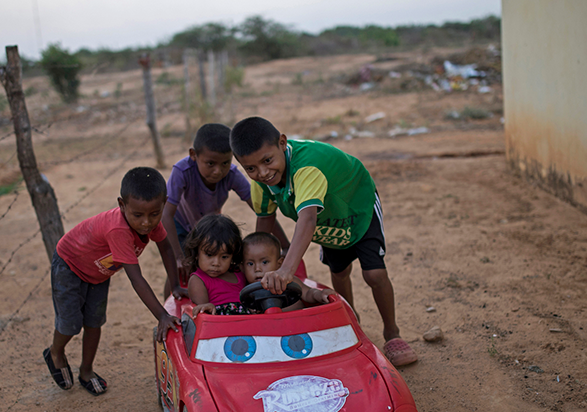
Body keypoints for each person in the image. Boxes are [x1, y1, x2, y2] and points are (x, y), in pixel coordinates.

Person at [230, 116, 417, 366]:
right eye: (250, 169)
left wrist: (286, 271)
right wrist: (257, 263)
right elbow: (264, 226)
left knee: (374, 274)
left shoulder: (307, 167)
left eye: (267, 161)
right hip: (326, 221)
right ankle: (352, 322)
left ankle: (392, 333)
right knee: (339, 272)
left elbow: (306, 220)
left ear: (282, 143)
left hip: (356, 208)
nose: (262, 173)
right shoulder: (261, 184)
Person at [44, 167, 182, 396]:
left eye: (154, 214)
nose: (146, 223)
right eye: (138, 215)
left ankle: (86, 371)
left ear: (163, 204)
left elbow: (166, 248)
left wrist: (175, 285)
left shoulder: (151, 220)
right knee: (70, 324)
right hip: (70, 265)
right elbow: (136, 279)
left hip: (98, 273)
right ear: (122, 204)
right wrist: (162, 315)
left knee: (94, 323)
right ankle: (56, 352)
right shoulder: (119, 230)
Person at [161, 123, 288, 294]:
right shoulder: (182, 171)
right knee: (183, 268)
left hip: (208, 228)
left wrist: (285, 245)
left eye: (225, 163)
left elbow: (261, 210)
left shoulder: (232, 174)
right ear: (193, 155)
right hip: (179, 225)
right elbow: (166, 214)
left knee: (220, 266)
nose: (218, 171)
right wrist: (178, 256)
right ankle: (171, 305)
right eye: (210, 163)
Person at [242, 232, 334, 310]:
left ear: (279, 263)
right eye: (250, 264)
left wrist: (320, 294)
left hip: (299, 326)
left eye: (265, 262)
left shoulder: (289, 282)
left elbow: (308, 293)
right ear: (242, 266)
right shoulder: (245, 292)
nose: (257, 269)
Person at [184, 214, 251, 317]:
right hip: (218, 329)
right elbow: (202, 315)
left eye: (224, 257)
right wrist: (207, 307)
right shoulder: (198, 281)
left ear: (233, 255)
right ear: (197, 253)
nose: (216, 263)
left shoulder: (239, 273)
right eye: (209, 255)